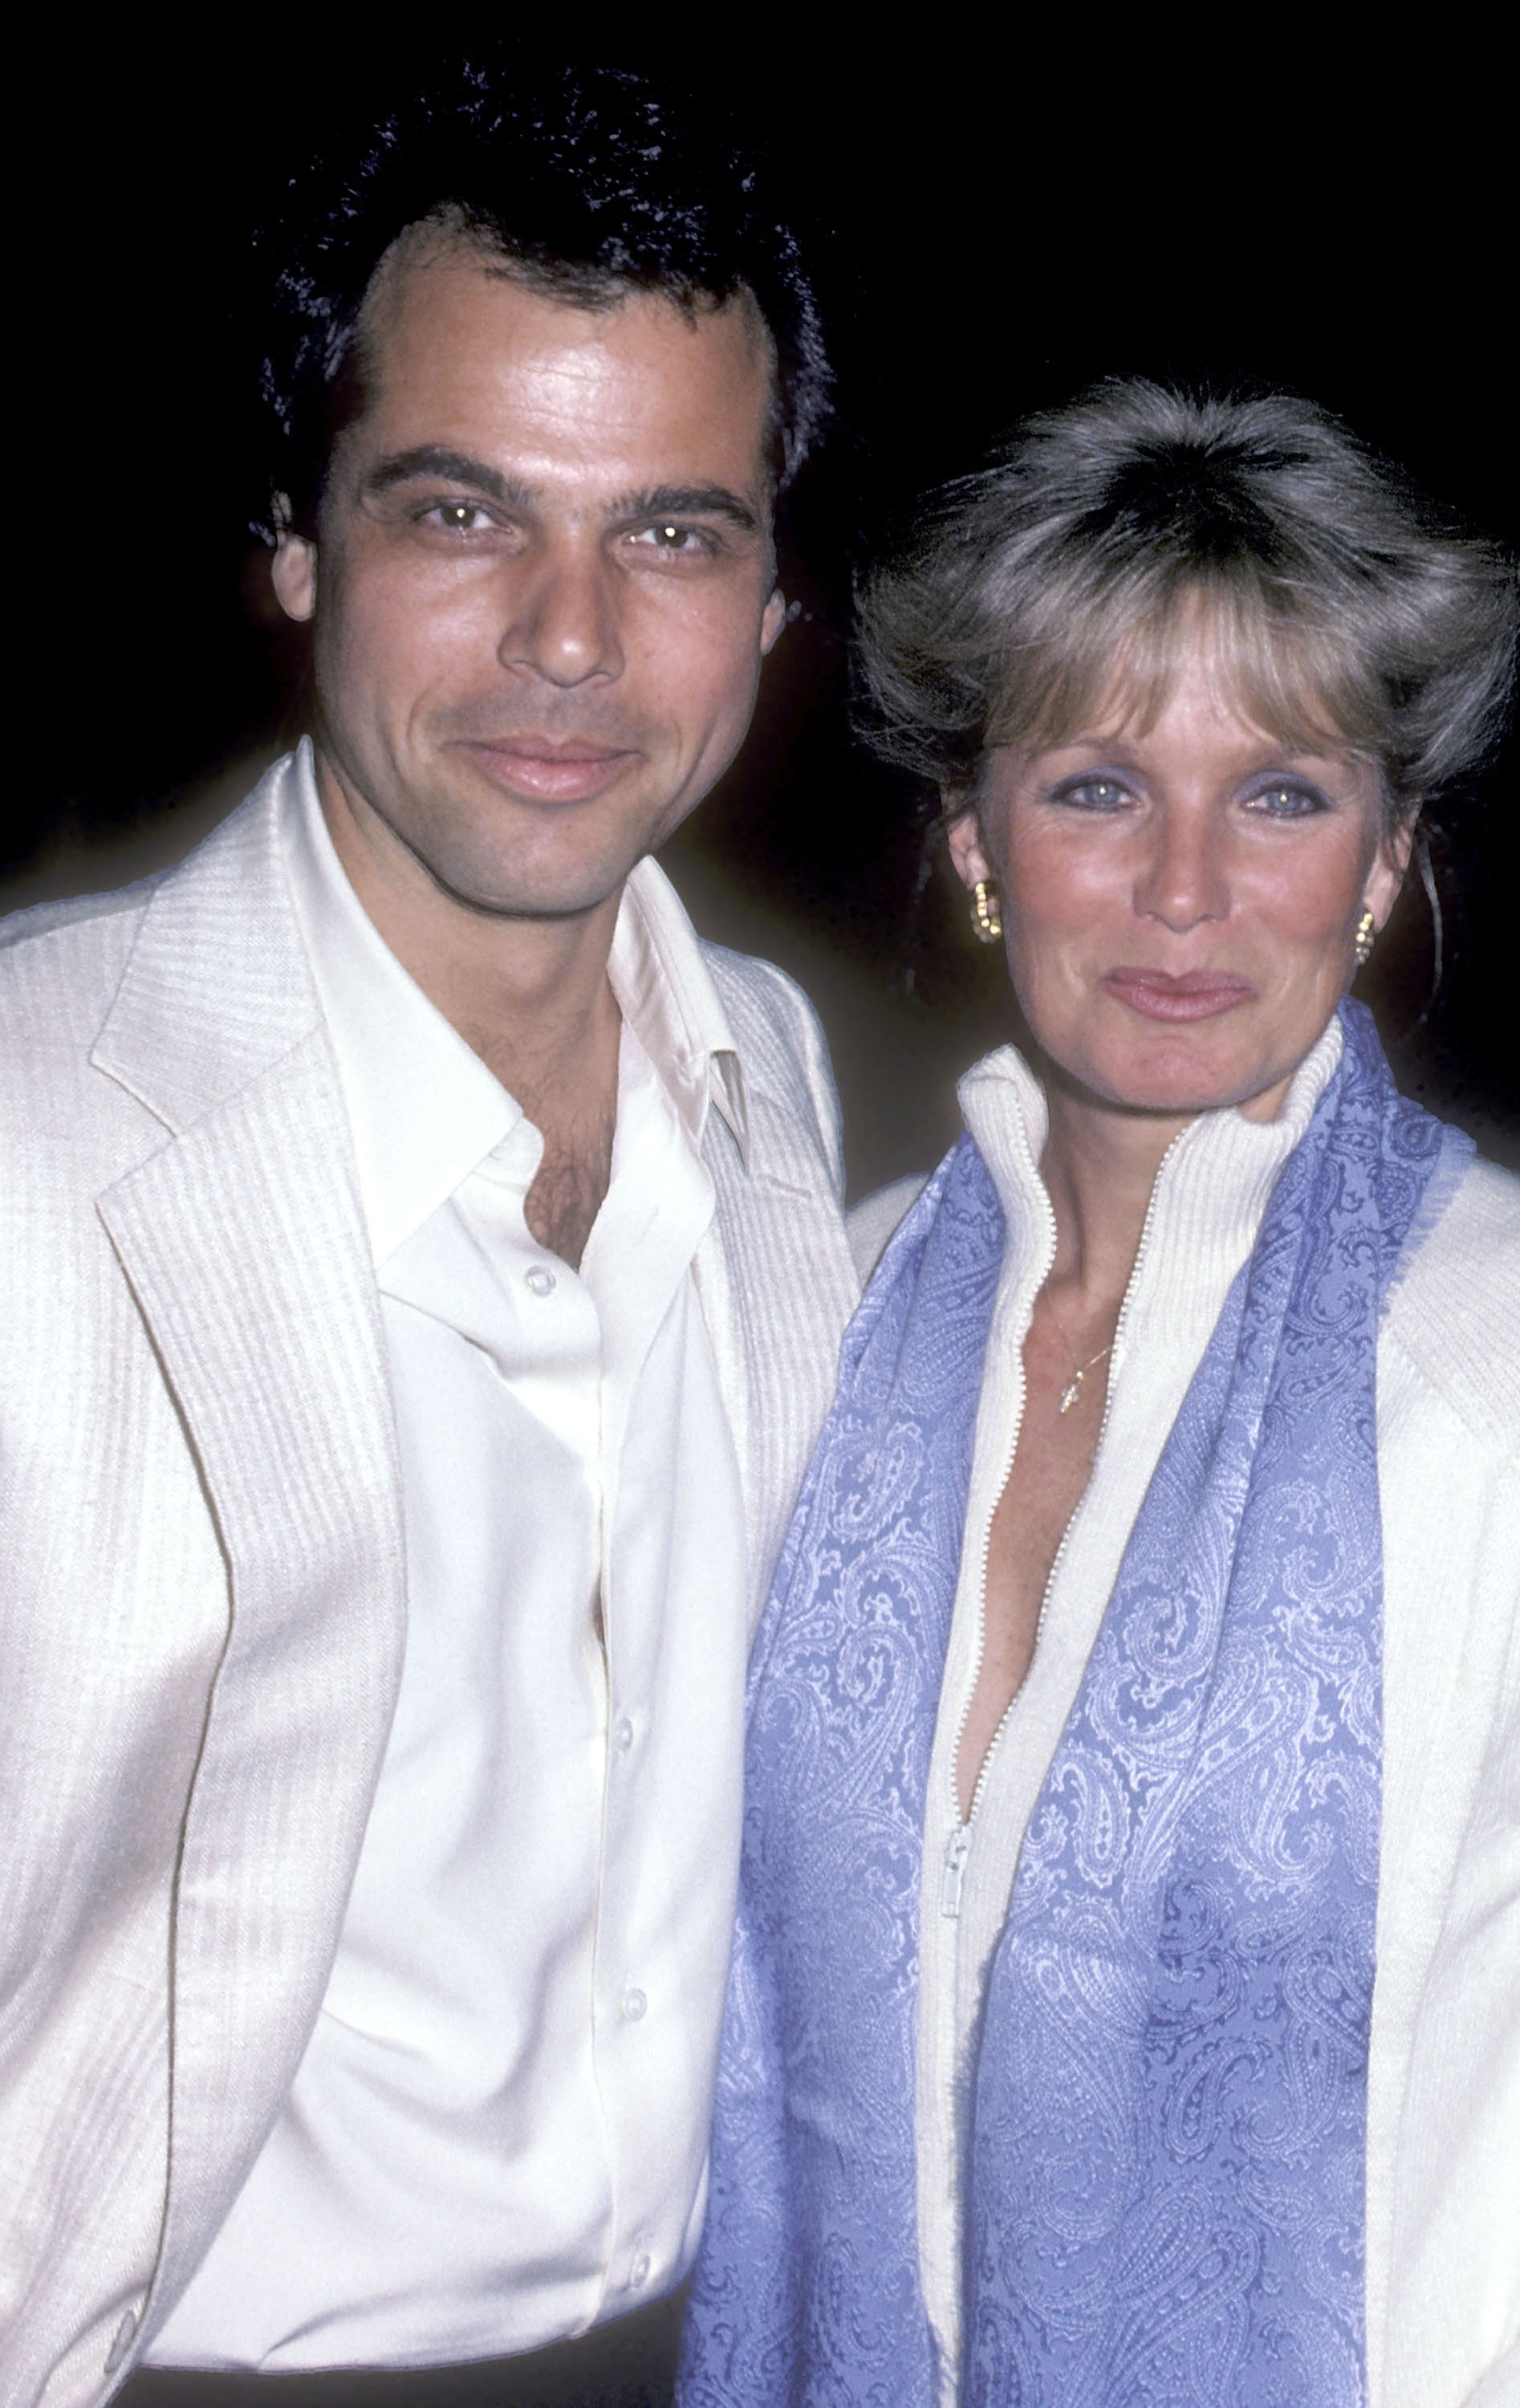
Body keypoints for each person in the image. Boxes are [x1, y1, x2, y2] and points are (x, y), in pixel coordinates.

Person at [678, 384, 1520, 2407]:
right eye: (1097, 786)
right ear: (974, 838)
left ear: (1384, 856)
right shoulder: (814, 1309)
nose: (1185, 888)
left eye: (1277, 793)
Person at [0, 64, 861, 2408]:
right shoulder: (34, 1146)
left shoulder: (771, 1080)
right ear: (298, 541)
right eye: (467, 513)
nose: (572, 639)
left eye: (675, 534)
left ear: (775, 601)